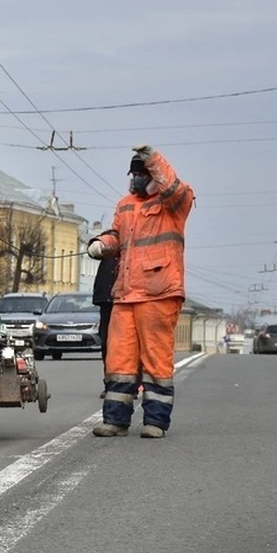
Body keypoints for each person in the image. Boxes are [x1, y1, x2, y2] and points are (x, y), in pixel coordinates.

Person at [87, 144, 194, 439]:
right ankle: (116, 420)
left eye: (140, 173)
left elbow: (174, 188)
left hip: (159, 292)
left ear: (152, 175)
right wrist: (101, 244)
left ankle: (155, 422)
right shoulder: (125, 205)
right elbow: (117, 236)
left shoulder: (175, 202)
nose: (135, 179)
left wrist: (155, 159)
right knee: (118, 361)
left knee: (156, 360)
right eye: (132, 174)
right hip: (125, 293)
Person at [91, 255, 118, 399]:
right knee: (107, 345)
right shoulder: (111, 243)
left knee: (129, 346)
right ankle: (109, 384)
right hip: (107, 301)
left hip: (127, 300)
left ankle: (131, 386)